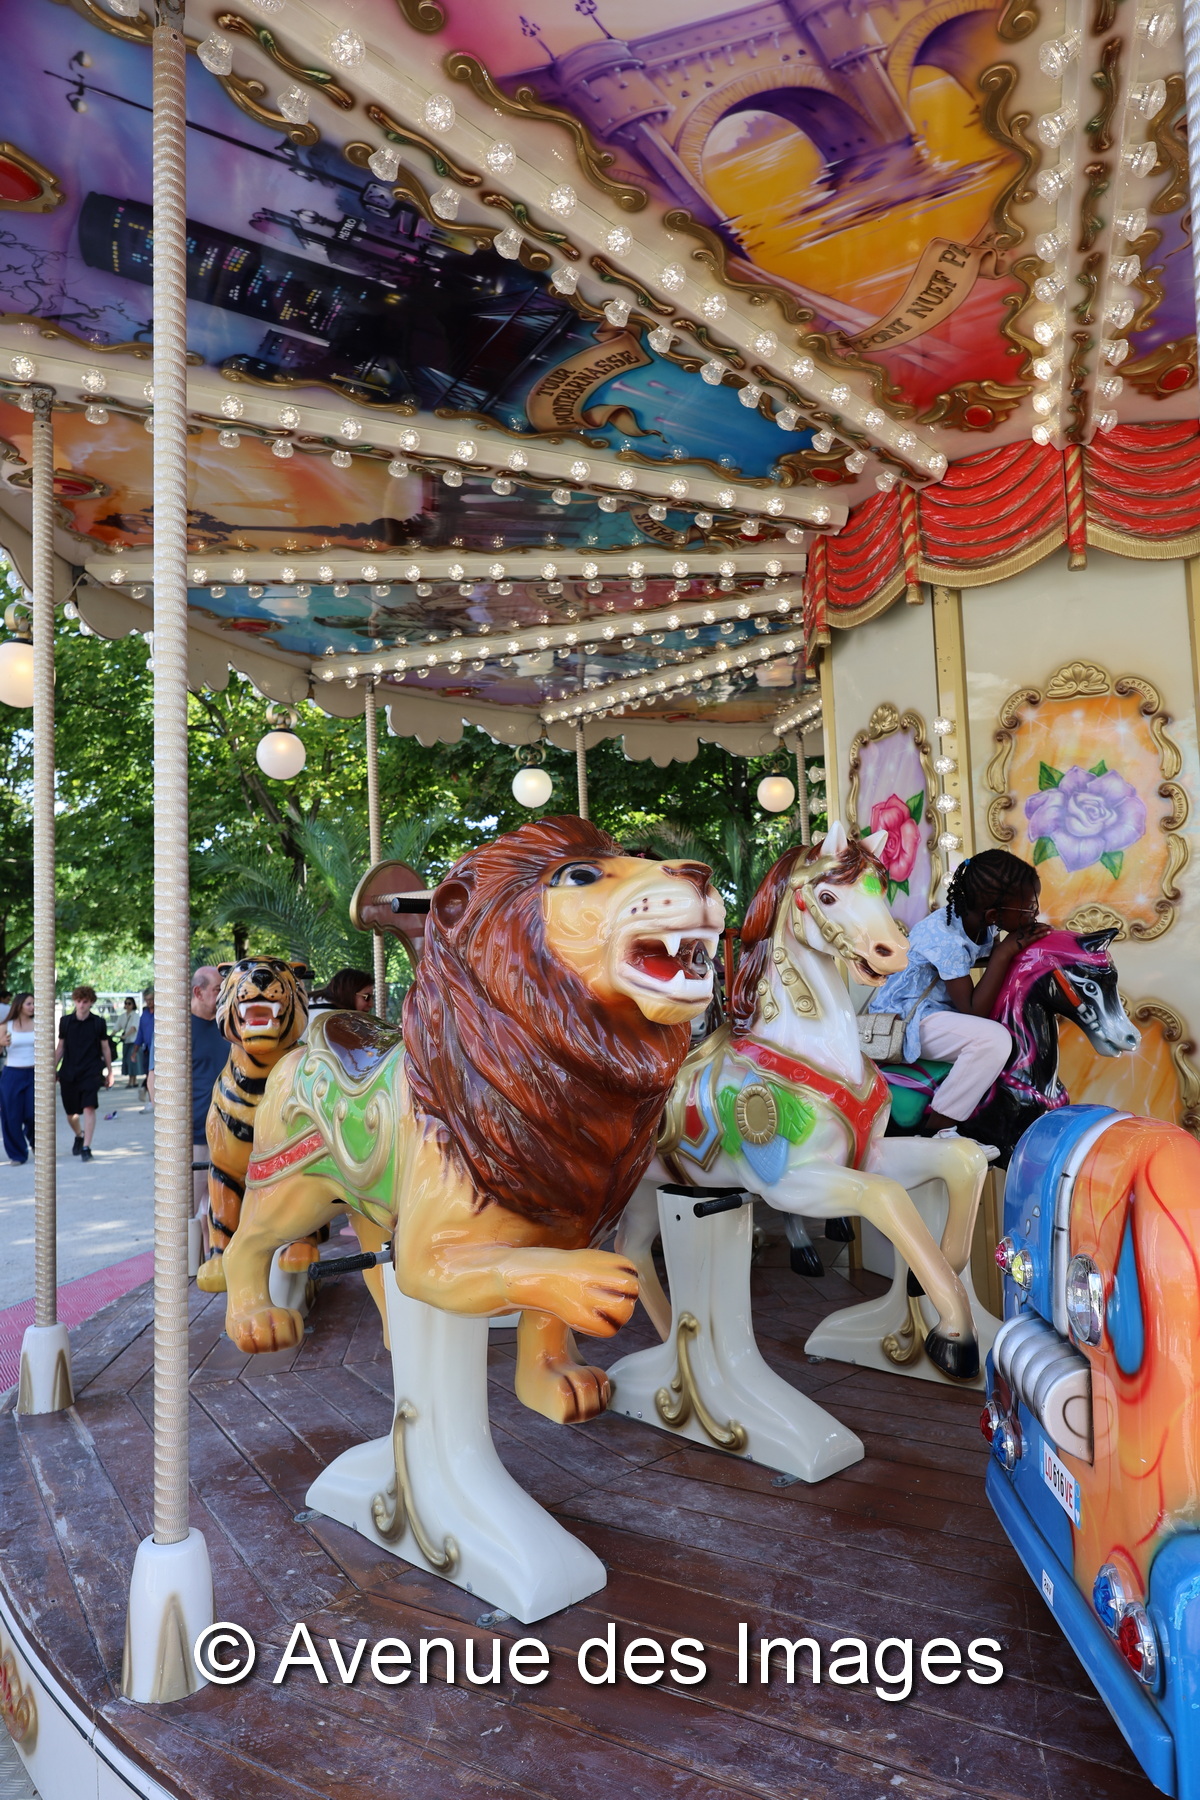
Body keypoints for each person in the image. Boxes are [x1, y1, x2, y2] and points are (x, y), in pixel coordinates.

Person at [867, 849, 1049, 1135]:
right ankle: (940, 1125)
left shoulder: (980, 925)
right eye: (1028, 908)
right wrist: (1003, 953)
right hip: (908, 1019)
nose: (1034, 912)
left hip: (936, 1011)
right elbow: (973, 1010)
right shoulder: (946, 939)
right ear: (993, 914)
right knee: (993, 1040)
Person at [190, 966, 229, 1251]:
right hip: (194, 1132)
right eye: (217, 990)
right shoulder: (180, 1029)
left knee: (218, 1207)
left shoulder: (226, 1026)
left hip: (227, 1130)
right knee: (189, 1207)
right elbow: (155, 1079)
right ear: (198, 992)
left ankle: (211, 1258)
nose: (222, 995)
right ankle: (185, 1267)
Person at [56, 985, 113, 1162]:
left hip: (91, 1071)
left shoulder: (98, 1023)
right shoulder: (65, 1022)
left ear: (91, 1002)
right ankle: (79, 1135)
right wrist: (52, 1068)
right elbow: (60, 1047)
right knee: (71, 1113)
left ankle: (87, 1147)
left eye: (85, 1002)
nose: (81, 1005)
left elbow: (105, 1048)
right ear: (74, 1001)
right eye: (79, 1001)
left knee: (89, 1107)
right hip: (69, 1072)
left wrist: (110, 1072)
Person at [0, 992, 35, 1164]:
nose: (32, 1007)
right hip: (13, 1074)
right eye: (29, 1004)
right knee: (12, 1116)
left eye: (34, 1004)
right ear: (19, 1005)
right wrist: (1, 1043)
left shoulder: (40, 1024)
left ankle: (37, 1143)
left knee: (33, 1113)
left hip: (34, 1073)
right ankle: (17, 1154)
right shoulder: (6, 1025)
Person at [308, 967, 374, 1015]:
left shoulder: (308, 1003)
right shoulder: (333, 1020)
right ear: (349, 993)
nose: (371, 1004)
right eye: (367, 997)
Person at [135, 987, 154, 1101]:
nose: (149, 1002)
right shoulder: (144, 1015)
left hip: (159, 1050)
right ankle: (151, 1099)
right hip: (147, 1050)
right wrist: (134, 1051)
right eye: (147, 1000)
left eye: (151, 999)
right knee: (149, 1074)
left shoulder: (161, 1013)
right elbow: (140, 1034)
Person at [119, 996, 140, 1086]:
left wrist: (125, 1035)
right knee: (127, 1061)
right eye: (126, 1003)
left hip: (133, 1041)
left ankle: (132, 1081)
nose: (127, 1005)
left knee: (132, 1061)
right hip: (126, 1042)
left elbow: (134, 1028)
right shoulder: (122, 1016)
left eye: (129, 1003)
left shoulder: (135, 1015)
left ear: (133, 1005)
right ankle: (132, 1081)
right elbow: (117, 1026)